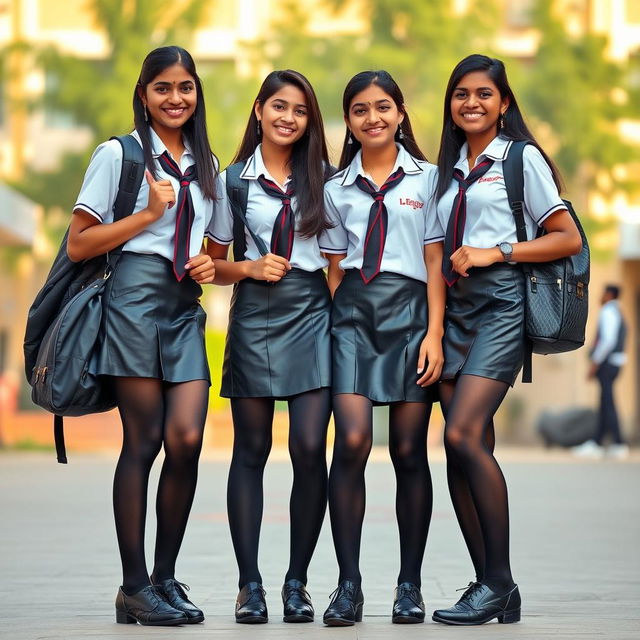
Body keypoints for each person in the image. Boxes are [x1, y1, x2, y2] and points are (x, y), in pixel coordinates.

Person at [67, 46, 218, 626]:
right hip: (131, 301)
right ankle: (133, 586)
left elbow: (212, 247)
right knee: (145, 440)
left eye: (185, 87)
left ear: (196, 93)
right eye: (162, 88)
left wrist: (209, 264)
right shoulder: (120, 155)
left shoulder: (206, 165)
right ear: (144, 93)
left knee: (187, 438)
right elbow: (80, 243)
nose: (175, 98)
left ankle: (163, 577)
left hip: (184, 306)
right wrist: (145, 217)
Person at [430, 54, 583, 626]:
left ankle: (499, 581)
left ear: (504, 103)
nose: (472, 103)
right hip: (457, 307)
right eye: (461, 94)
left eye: (484, 94)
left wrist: (500, 252)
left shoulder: (521, 160)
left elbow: (565, 237)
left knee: (464, 433)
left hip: (501, 302)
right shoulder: (445, 170)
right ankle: (492, 585)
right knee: (462, 447)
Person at [207, 70, 333, 624]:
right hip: (256, 311)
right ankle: (249, 585)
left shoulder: (328, 180)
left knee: (309, 449)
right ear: (259, 110)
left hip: (312, 313)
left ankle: (297, 582)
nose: (288, 117)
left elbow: (338, 261)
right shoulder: (231, 181)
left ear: (311, 121)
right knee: (250, 452)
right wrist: (250, 267)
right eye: (278, 106)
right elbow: (212, 265)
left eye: (300, 110)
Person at [320, 70, 445, 626]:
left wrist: (435, 334)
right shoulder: (333, 187)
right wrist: (338, 316)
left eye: (383, 107)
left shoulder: (430, 180)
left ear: (401, 113)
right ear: (348, 121)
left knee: (409, 452)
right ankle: (348, 585)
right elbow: (331, 264)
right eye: (360, 110)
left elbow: (437, 263)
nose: (373, 118)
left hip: (412, 319)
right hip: (351, 317)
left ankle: (409, 585)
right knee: (350, 441)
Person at [573, 284, 628, 459]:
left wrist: (594, 364)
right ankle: (599, 442)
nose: (601, 296)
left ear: (610, 294)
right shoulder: (619, 312)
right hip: (615, 362)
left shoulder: (608, 312)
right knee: (605, 403)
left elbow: (608, 341)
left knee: (607, 403)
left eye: (603, 293)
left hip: (607, 363)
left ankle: (616, 443)